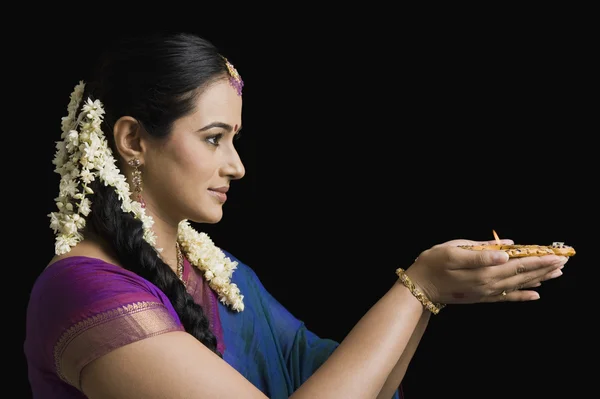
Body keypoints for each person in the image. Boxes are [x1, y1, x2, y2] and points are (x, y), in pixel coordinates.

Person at [23, 31, 568, 399]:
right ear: (133, 139)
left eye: (234, 139)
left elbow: (357, 386)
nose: (235, 166)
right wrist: (417, 285)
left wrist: (431, 296)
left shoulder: (221, 275)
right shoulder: (85, 291)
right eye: (213, 139)